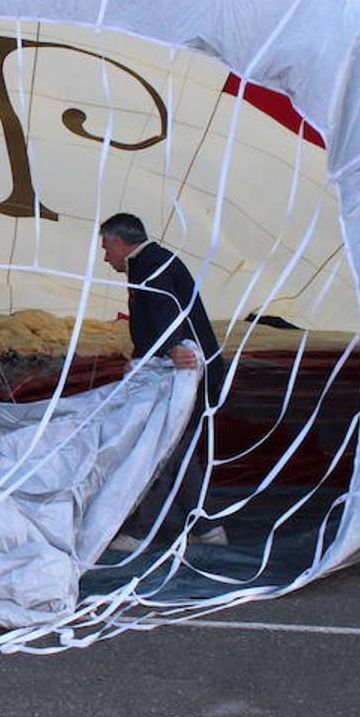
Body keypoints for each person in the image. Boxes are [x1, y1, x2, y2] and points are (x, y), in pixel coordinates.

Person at [98, 212, 228, 552]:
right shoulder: (152, 261)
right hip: (181, 370)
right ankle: (206, 526)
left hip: (187, 374)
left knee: (164, 449)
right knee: (178, 450)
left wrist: (173, 348)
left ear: (119, 241)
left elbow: (163, 308)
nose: (105, 256)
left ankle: (142, 532)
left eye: (106, 247)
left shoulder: (150, 262)